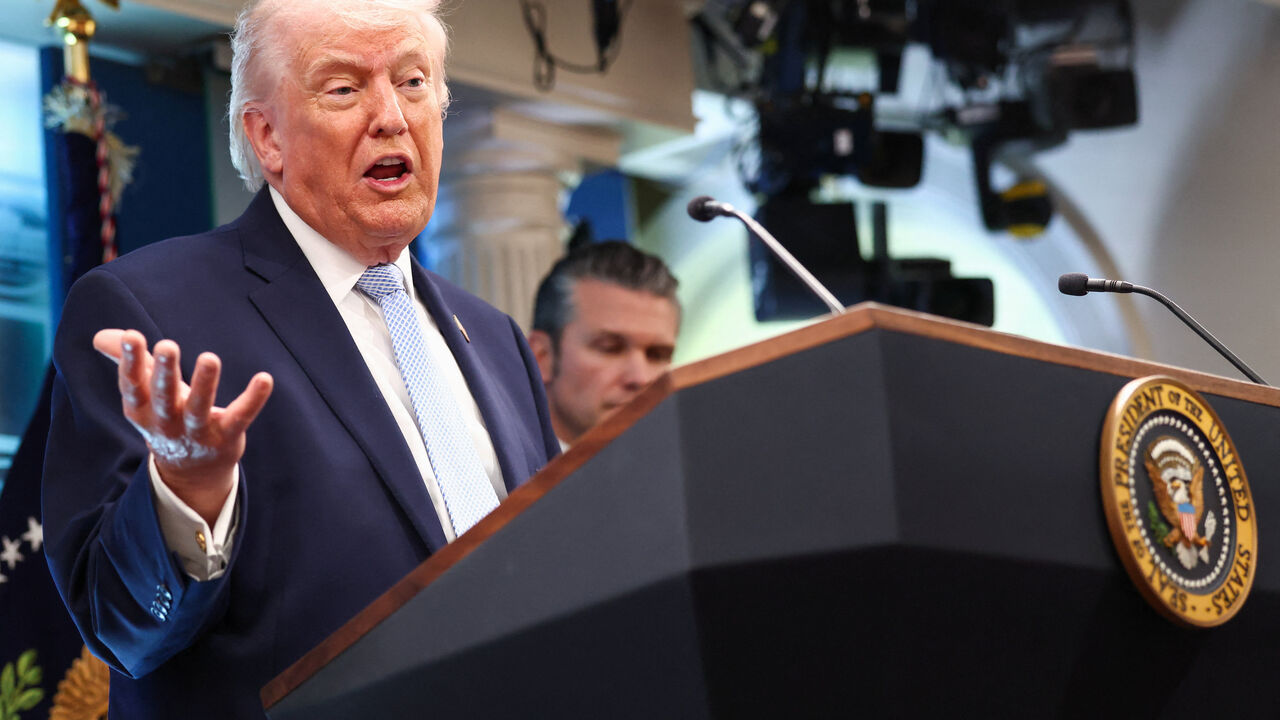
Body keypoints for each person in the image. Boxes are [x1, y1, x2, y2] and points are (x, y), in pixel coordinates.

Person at [42, 0, 559, 717]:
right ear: (267, 137)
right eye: (345, 89)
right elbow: (118, 625)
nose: (391, 116)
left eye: (413, 84)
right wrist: (187, 494)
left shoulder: (496, 337)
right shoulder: (148, 309)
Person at [527, 241, 681, 447]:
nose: (640, 378)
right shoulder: (493, 474)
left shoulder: (695, 471)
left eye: (657, 354)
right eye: (610, 348)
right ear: (541, 356)